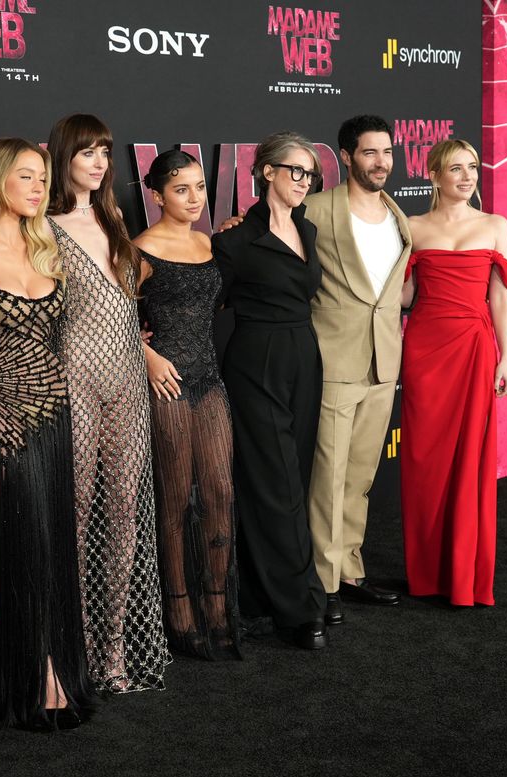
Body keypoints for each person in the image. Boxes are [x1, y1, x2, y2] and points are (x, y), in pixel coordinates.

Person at [0, 137, 94, 728]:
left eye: (43, 178)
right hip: (4, 419)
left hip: (57, 412)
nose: (40, 187)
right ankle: (27, 675)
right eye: (28, 177)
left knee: (55, 539)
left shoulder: (47, 246)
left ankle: (59, 667)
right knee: (22, 541)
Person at [46, 113, 169, 692]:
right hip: (74, 378)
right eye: (87, 152)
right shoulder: (41, 224)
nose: (98, 163)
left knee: (123, 510)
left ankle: (113, 645)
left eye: (105, 152)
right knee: (74, 513)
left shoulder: (112, 216)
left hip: (125, 378)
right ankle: (73, 645)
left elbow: (128, 299)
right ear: (63, 156)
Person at [212, 131, 329, 651]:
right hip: (256, 361)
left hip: (303, 356)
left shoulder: (309, 227)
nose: (305, 181)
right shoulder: (234, 239)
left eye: (311, 174)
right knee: (275, 483)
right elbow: (201, 301)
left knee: (291, 478)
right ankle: (300, 607)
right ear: (266, 172)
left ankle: (262, 594)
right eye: (296, 171)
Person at [302, 114, 410, 626]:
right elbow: (270, 235)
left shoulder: (397, 214)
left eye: (386, 152)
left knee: (361, 476)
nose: (381, 162)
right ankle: (321, 584)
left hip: (383, 361)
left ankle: (349, 569)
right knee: (328, 476)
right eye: (369, 153)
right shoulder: (316, 208)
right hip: (334, 358)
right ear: (346, 158)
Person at [133, 149, 240, 660]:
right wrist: (147, 353)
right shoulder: (139, 250)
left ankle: (217, 605)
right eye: (181, 189)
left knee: (219, 491)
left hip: (209, 380)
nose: (194, 198)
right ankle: (178, 608)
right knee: (174, 498)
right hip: (168, 383)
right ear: (156, 195)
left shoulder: (207, 242)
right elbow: (109, 318)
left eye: (199, 187)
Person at [401, 138, 507, 606]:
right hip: (425, 350)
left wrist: (505, 356)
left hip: (473, 349)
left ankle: (464, 573)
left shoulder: (495, 225)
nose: (467, 177)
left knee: (471, 462)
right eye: (455, 169)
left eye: (472, 168)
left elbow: (500, 296)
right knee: (424, 462)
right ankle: (427, 573)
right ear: (433, 175)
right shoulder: (410, 226)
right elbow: (404, 298)